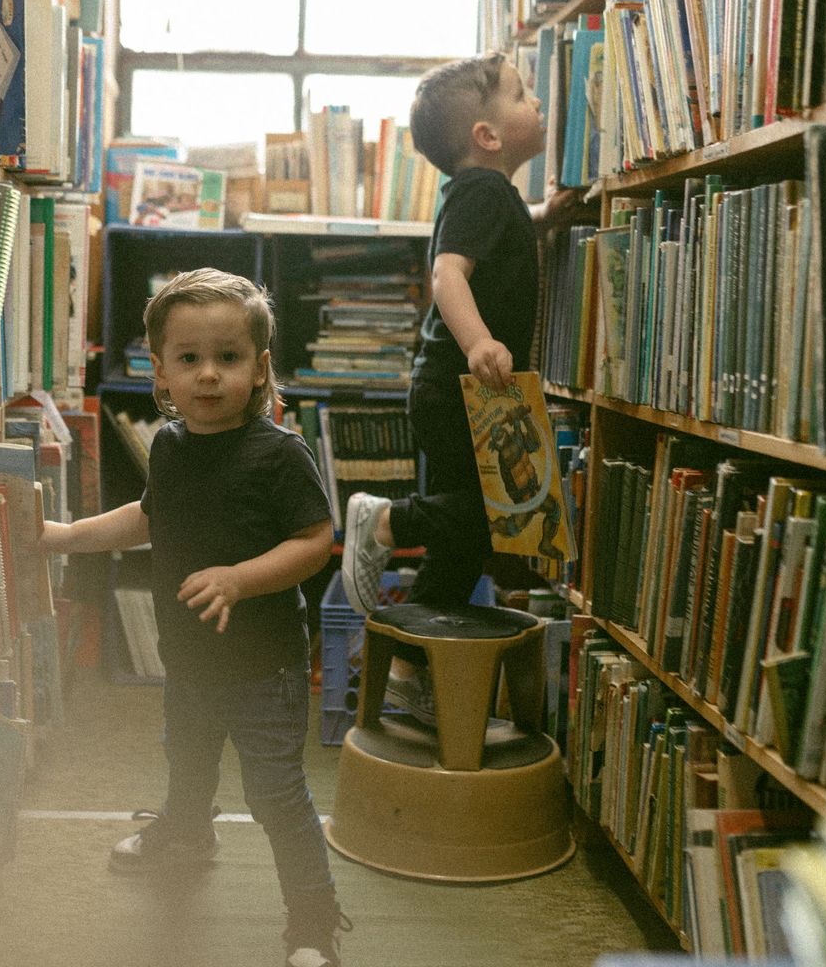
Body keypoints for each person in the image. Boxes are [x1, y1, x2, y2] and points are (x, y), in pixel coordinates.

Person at [37, 269, 349, 967]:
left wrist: (239, 578)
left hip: (261, 669)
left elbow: (314, 542)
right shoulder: (173, 446)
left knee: (277, 798)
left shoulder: (279, 454)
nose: (208, 376)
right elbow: (149, 518)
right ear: (161, 373)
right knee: (187, 761)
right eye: (189, 359)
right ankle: (185, 832)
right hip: (190, 661)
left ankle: (312, 923)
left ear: (261, 367)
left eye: (229, 358)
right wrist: (64, 535)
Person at [339, 51, 549, 724]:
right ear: (487, 136)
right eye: (522, 94)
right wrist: (480, 341)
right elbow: (448, 276)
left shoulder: (490, 196)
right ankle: (388, 518)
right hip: (459, 385)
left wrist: (547, 212)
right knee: (482, 518)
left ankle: (409, 669)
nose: (536, 101)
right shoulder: (482, 192)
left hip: (465, 388)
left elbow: (501, 245)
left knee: (463, 546)